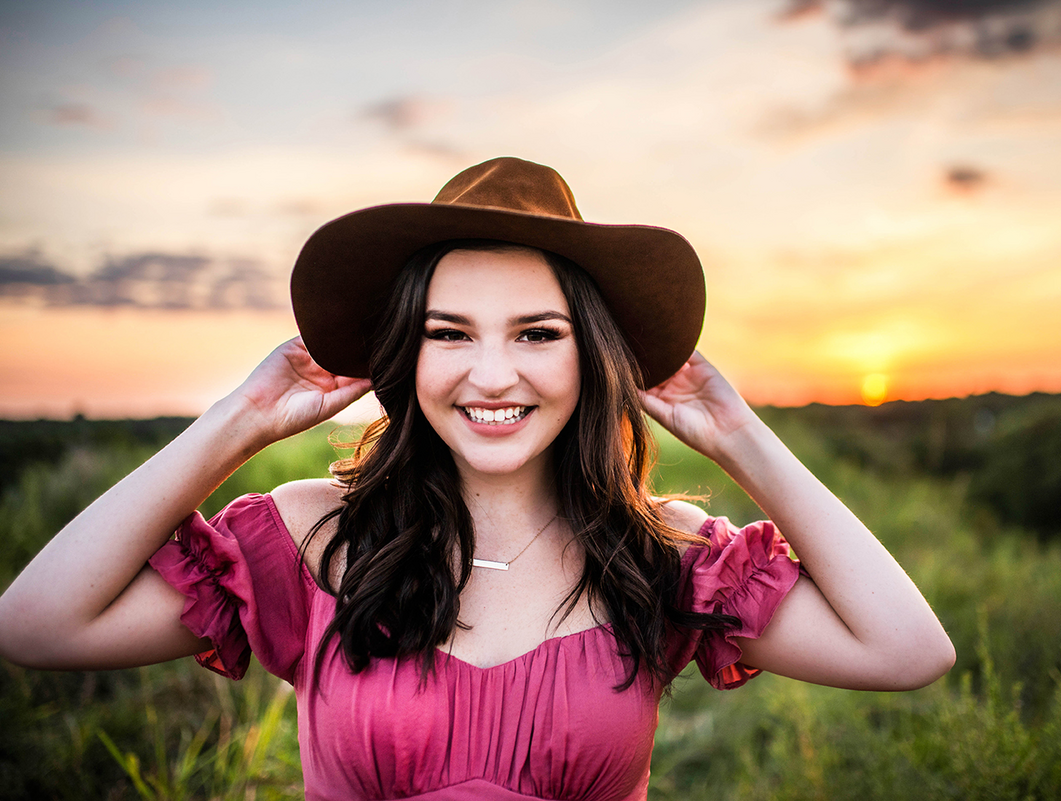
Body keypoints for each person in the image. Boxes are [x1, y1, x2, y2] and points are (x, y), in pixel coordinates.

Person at [0, 157, 955, 800]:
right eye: (447, 333)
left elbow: (908, 652)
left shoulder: (657, 554)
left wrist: (741, 437)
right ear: (403, 359)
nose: (490, 375)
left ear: (593, 358)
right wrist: (238, 422)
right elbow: (34, 624)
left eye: (537, 334)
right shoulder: (312, 536)